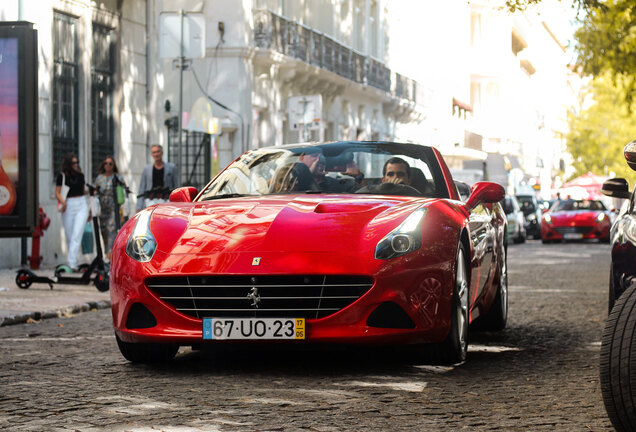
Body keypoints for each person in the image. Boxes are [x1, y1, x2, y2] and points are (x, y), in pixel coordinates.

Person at [55, 153, 89, 271]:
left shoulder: (81, 175)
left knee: (76, 234)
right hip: (68, 205)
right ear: (69, 164)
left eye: (77, 163)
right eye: (73, 163)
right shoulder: (62, 176)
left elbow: (83, 190)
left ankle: (72, 263)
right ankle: (73, 260)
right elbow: (57, 192)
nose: (76, 165)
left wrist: (90, 191)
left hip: (81, 204)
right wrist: (63, 202)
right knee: (70, 236)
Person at [94, 155, 127, 259]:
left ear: (113, 165)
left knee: (112, 231)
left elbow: (124, 191)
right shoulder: (99, 178)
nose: (107, 165)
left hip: (114, 208)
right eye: (106, 163)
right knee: (104, 231)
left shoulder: (118, 177)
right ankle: (107, 255)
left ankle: (110, 256)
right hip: (103, 209)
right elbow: (95, 192)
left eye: (110, 163)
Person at [136, 144, 178, 211]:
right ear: (151, 154)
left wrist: (177, 204)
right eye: (154, 152)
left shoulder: (171, 168)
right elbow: (142, 188)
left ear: (162, 153)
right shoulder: (147, 169)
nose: (156, 154)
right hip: (150, 201)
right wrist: (139, 206)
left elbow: (176, 187)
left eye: (158, 151)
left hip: (166, 200)